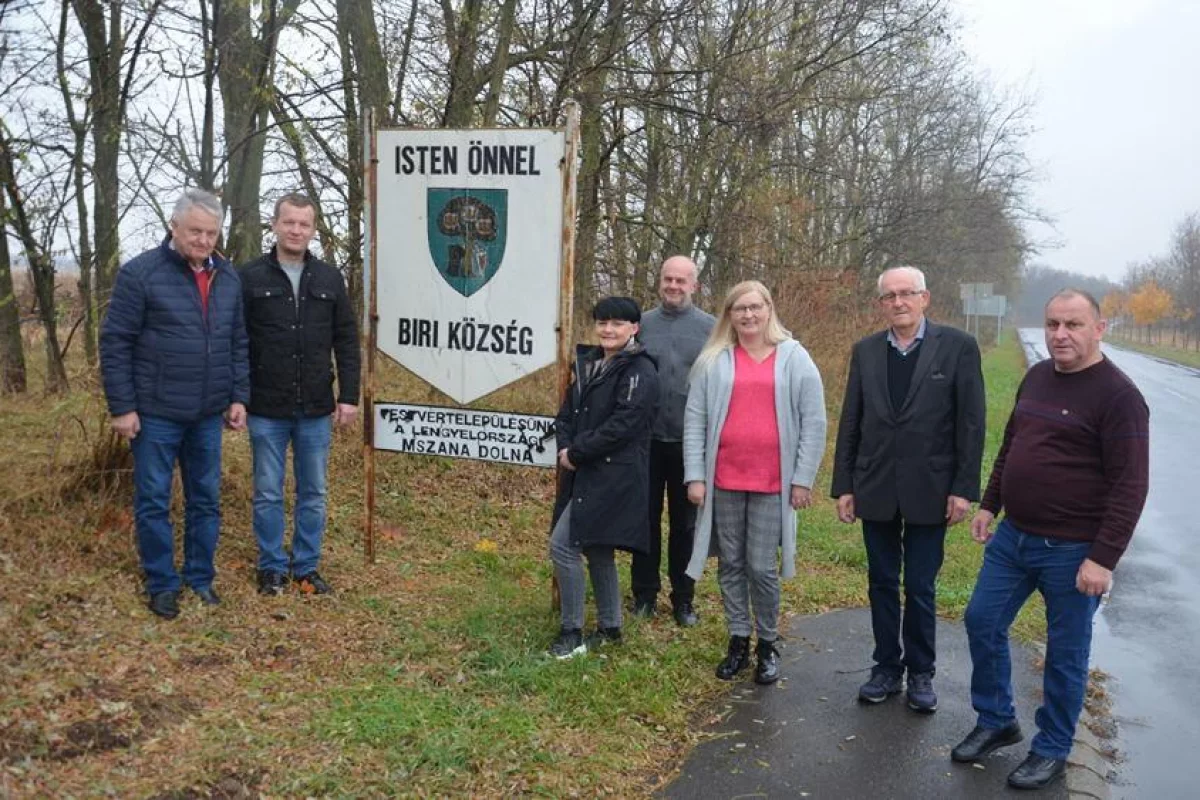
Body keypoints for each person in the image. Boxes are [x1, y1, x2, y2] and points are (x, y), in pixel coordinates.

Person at [951, 289, 1149, 790]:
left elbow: (1131, 485)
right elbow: (1012, 445)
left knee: (1065, 652)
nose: (1060, 335)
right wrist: (991, 504)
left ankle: (1055, 747)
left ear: (1099, 328)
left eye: (1074, 325)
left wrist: (1102, 559)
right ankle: (997, 718)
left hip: (1073, 551)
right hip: (1014, 538)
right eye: (1053, 324)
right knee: (981, 620)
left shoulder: (1120, 397)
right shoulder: (1038, 376)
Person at [831, 265, 985, 712]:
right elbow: (851, 421)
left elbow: (971, 424)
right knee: (881, 581)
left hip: (931, 489)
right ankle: (886, 667)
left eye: (907, 294)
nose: (898, 302)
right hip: (875, 485)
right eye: (890, 296)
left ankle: (921, 672)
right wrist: (845, 485)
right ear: (881, 303)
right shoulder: (865, 352)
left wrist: (962, 488)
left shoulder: (957, 347)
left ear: (925, 298)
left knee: (919, 585)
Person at [100, 188, 249, 619]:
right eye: (195, 231)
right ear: (174, 226)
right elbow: (115, 343)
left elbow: (238, 341)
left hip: (207, 414)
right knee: (153, 500)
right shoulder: (140, 274)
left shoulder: (228, 276)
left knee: (205, 499)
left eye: (211, 233)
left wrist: (239, 395)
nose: (203, 241)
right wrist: (122, 407)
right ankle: (162, 583)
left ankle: (199, 579)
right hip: (155, 414)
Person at [683, 281, 827, 684]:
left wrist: (802, 479)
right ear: (729, 315)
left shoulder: (794, 358)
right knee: (730, 563)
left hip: (772, 483)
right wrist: (694, 475)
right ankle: (738, 640)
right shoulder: (716, 359)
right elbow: (695, 420)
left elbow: (814, 422)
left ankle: (767, 643)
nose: (747, 316)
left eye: (754, 307)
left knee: (761, 567)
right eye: (738, 309)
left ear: (768, 308)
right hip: (724, 480)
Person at [238, 193, 360, 596]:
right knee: (269, 491)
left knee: (314, 492)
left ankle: (306, 567)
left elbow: (346, 339)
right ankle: (272, 567)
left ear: (313, 229)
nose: (296, 230)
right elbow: (235, 340)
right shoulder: (250, 277)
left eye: (304, 224)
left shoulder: (329, 279)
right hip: (265, 407)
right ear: (274, 224)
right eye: (289, 222)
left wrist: (350, 395)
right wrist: (235, 395)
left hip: (315, 407)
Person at [547, 297, 659, 658]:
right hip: (582, 472)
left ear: (634, 329)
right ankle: (610, 628)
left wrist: (577, 453)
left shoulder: (639, 371)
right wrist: (566, 448)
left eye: (617, 323)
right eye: (602, 322)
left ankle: (571, 631)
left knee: (563, 547)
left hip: (613, 475)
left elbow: (624, 425)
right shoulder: (590, 363)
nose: (608, 329)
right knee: (597, 549)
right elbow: (566, 415)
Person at [631, 255, 715, 625]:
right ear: (659, 281)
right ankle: (644, 595)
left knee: (685, 525)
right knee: (643, 519)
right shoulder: (641, 325)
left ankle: (683, 598)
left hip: (689, 443)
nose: (674, 286)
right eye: (668, 279)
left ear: (694, 285)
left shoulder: (712, 329)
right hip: (644, 441)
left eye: (682, 281)